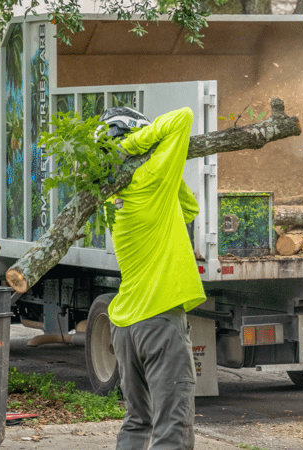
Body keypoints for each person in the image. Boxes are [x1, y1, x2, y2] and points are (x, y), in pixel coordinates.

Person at [102, 106, 206, 450]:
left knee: (137, 421)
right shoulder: (150, 180)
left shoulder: (109, 194)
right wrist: (140, 142)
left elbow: (187, 209)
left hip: (126, 326)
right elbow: (183, 117)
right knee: (172, 427)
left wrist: (164, 170)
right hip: (159, 320)